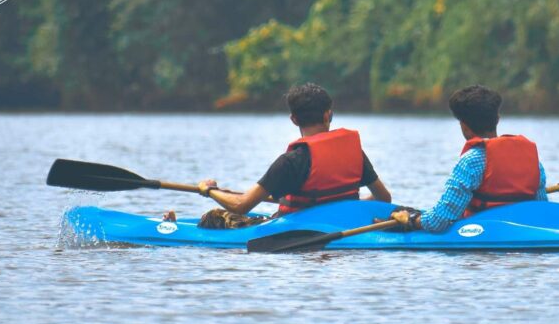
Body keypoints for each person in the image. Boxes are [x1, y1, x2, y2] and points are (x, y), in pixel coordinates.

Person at [165, 83, 392, 229]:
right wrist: (343, 206)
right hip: (347, 226)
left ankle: (170, 227)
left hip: (295, 229)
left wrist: (210, 190)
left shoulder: (292, 161)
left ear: (293, 119)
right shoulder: (353, 152)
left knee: (213, 217)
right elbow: (383, 198)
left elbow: (242, 205)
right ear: (328, 115)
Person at [387, 85, 547, 233]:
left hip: (483, 233)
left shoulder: (471, 161)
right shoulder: (533, 161)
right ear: (497, 119)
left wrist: (412, 220)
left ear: (463, 126)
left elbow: (438, 222)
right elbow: (541, 208)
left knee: (401, 212)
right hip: (525, 230)